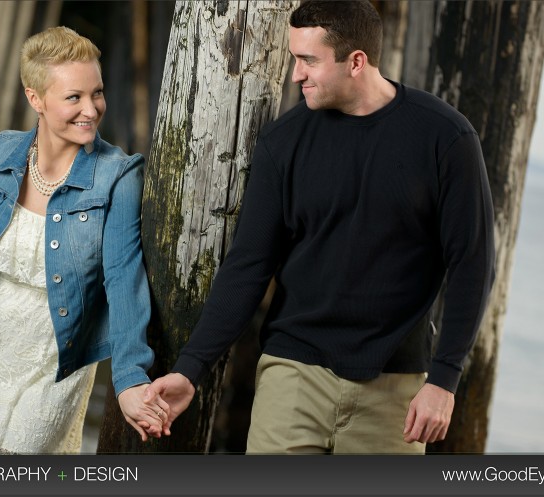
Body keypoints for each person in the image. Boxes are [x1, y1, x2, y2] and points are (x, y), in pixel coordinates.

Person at [146, 0, 495, 454]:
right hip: (293, 375)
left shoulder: (446, 139)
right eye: (295, 58)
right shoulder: (283, 143)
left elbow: (472, 264)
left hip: (395, 391)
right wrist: (191, 368)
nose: (295, 74)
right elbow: (249, 267)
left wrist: (444, 380)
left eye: (308, 60)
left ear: (356, 61)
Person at [0, 26, 167, 454]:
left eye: (96, 93)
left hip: (53, 362)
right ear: (36, 99)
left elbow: (123, 278)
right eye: (74, 97)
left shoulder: (117, 175)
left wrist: (131, 378)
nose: (91, 109)